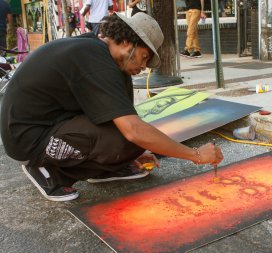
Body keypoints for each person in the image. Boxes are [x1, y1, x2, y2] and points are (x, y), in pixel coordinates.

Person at [0, 12, 223, 202]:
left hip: (49, 125)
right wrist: (195, 154)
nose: (144, 67)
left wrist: (133, 154)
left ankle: (104, 170)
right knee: (129, 137)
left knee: (133, 143)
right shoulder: (94, 58)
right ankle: (47, 170)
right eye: (144, 57)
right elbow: (133, 130)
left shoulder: (103, 57)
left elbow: (124, 123)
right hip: (28, 139)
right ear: (127, 41)